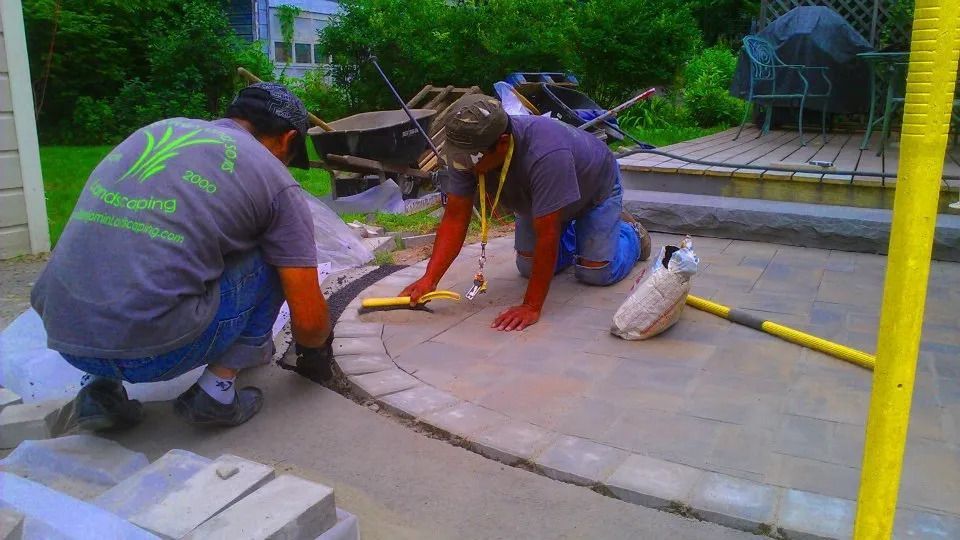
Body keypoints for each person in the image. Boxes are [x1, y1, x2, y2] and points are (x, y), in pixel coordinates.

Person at [30, 83, 332, 430]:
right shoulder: (274, 179)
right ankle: (216, 393)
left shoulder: (158, 132)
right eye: (291, 157)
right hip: (155, 354)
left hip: (65, 335)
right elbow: (308, 324)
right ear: (288, 139)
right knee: (277, 256)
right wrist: (318, 351)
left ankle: (99, 390)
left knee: (128, 245)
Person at [401, 94, 651, 331]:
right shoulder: (468, 150)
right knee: (529, 268)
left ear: (502, 143)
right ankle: (582, 234)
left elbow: (547, 234)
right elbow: (456, 217)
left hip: (595, 189)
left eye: (471, 161)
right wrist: (429, 279)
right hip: (541, 202)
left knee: (595, 272)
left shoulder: (546, 153)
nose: (463, 167)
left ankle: (632, 234)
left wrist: (531, 306)